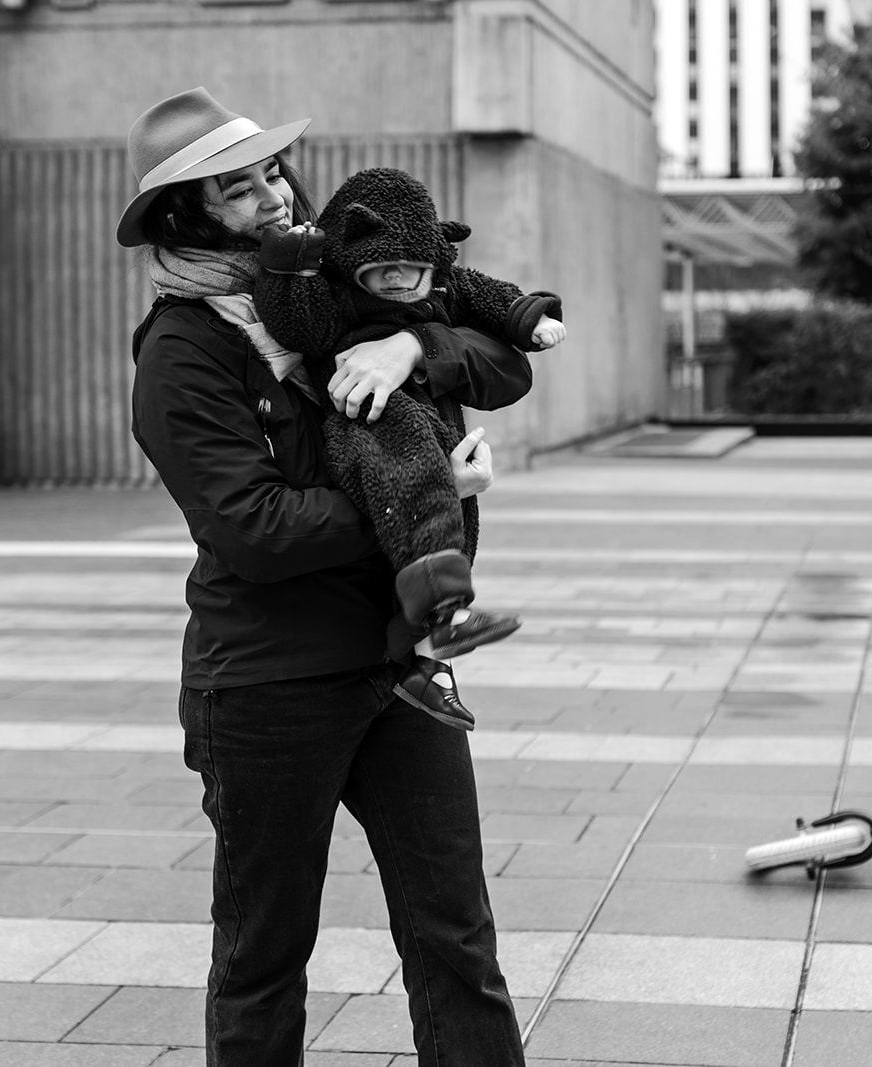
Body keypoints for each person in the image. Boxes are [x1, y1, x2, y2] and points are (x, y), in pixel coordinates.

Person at [122, 86, 529, 1067]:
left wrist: (409, 343)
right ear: (185, 215)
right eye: (235, 189)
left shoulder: (336, 288)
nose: (270, 196)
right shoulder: (183, 351)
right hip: (268, 685)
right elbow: (254, 529)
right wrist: (415, 500)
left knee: (456, 940)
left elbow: (500, 354)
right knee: (264, 959)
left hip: (395, 669)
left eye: (268, 171)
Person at [253, 166, 567, 730]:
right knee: (424, 505)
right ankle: (444, 618)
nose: (399, 280)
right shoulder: (336, 294)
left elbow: (492, 302)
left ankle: (430, 665)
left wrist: (529, 319)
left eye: (412, 268)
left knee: (449, 528)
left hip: (439, 440)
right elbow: (298, 323)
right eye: (383, 269)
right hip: (369, 425)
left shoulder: (446, 286)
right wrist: (290, 267)